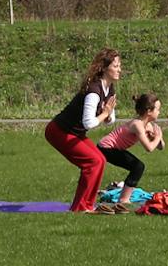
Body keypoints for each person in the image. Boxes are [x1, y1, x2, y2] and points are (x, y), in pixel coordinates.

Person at [45, 48, 122, 212]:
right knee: (92, 162)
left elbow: (110, 119)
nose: (119, 69)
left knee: (100, 160)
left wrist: (107, 115)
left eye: (119, 65)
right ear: (104, 68)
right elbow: (89, 123)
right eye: (115, 66)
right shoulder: (94, 90)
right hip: (58, 131)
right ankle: (80, 208)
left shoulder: (110, 88)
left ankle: (88, 205)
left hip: (74, 133)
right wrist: (105, 114)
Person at [95, 91, 164, 207]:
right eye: (157, 109)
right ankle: (123, 199)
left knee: (137, 166)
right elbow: (149, 148)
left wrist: (157, 138)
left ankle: (122, 196)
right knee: (138, 166)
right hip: (106, 148)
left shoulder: (148, 125)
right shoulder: (137, 125)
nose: (159, 112)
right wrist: (157, 137)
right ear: (148, 111)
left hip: (113, 148)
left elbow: (161, 147)